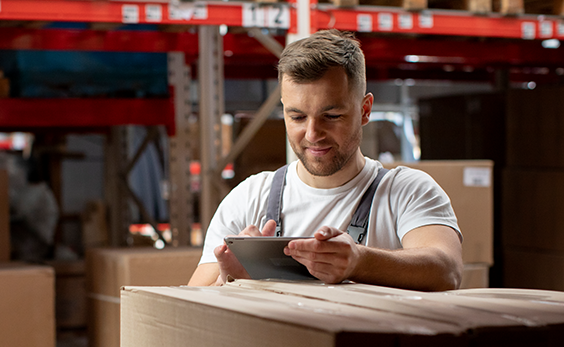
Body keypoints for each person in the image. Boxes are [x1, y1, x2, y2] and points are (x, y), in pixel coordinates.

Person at [187, 29, 463, 291]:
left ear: (365, 110)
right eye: (297, 117)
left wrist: (360, 261)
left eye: (331, 117)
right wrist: (232, 282)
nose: (312, 134)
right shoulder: (248, 198)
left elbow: (446, 270)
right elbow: (191, 301)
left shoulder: (407, 191)